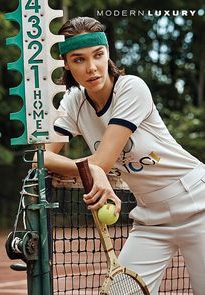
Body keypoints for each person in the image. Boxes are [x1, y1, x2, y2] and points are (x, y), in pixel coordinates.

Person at [37, 16, 205, 294]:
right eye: (78, 59)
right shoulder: (74, 102)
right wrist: (89, 170)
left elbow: (101, 164)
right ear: (66, 63)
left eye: (98, 55)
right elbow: (41, 158)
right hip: (150, 219)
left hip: (198, 204)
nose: (91, 67)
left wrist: (92, 170)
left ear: (107, 54)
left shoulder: (132, 88)